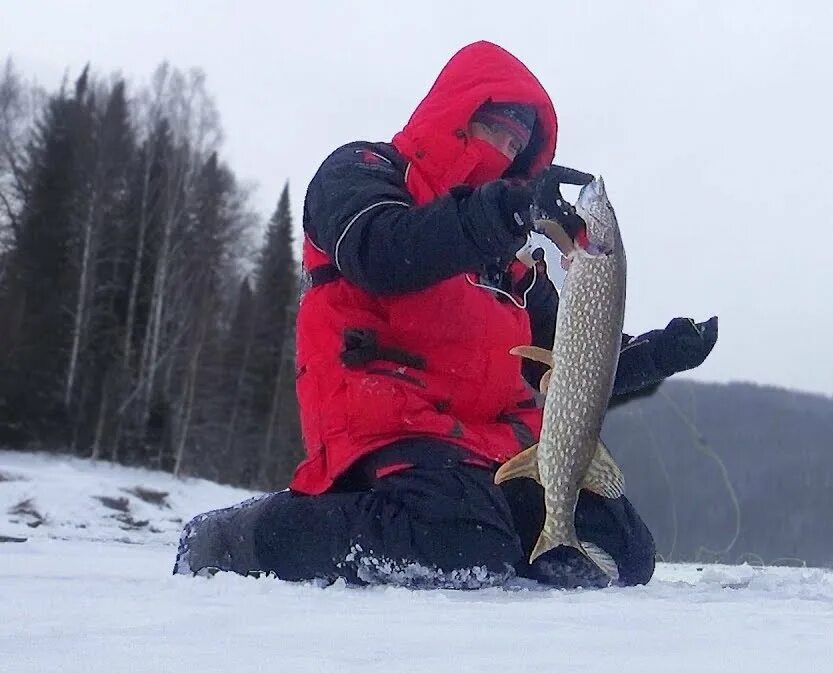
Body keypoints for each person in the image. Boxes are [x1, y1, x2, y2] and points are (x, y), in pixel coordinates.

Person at [173, 41, 717, 590]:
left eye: (516, 144)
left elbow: (572, 366)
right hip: (388, 419)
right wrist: (500, 212)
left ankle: (492, 532)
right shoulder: (362, 173)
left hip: (494, 442)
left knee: (620, 555)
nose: (504, 153)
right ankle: (241, 538)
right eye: (496, 131)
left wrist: (658, 353)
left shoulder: (512, 260)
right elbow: (384, 252)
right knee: (460, 548)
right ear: (458, 113)